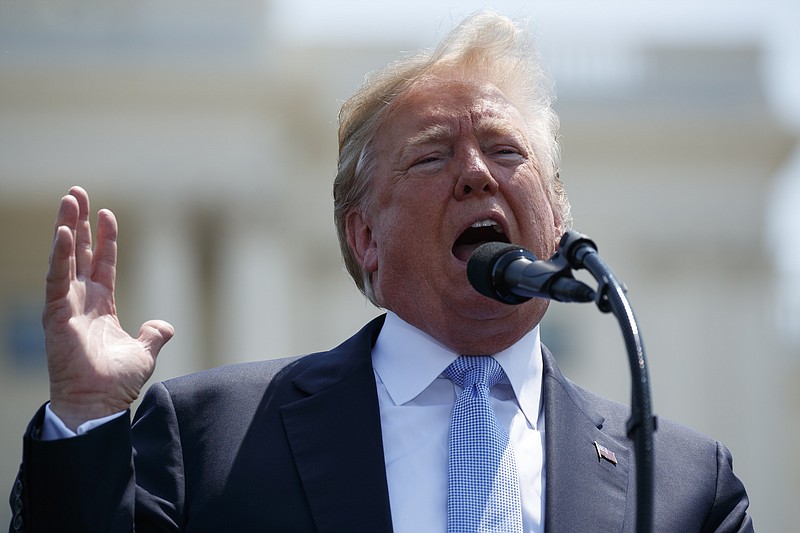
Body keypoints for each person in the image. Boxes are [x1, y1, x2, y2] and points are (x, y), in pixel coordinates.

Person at [10, 10, 753, 533]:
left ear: (557, 218)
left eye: (506, 151)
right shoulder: (211, 440)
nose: (474, 174)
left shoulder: (687, 490)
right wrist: (84, 420)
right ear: (364, 236)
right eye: (432, 155)